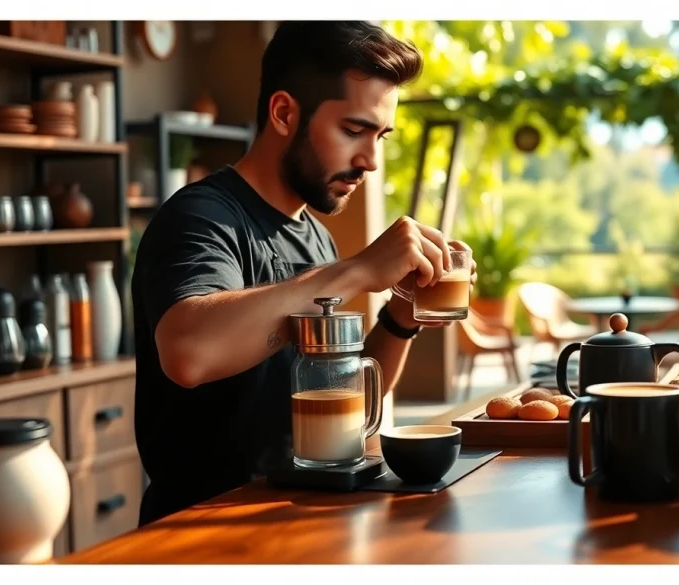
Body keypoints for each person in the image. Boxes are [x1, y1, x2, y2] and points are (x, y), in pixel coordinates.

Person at [130, 21, 475, 526]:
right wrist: (356, 270)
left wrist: (402, 317)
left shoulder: (316, 238)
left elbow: (345, 402)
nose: (371, 160)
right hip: (201, 534)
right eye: (354, 130)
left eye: (380, 135)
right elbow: (188, 353)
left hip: (302, 521)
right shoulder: (200, 217)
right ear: (285, 113)